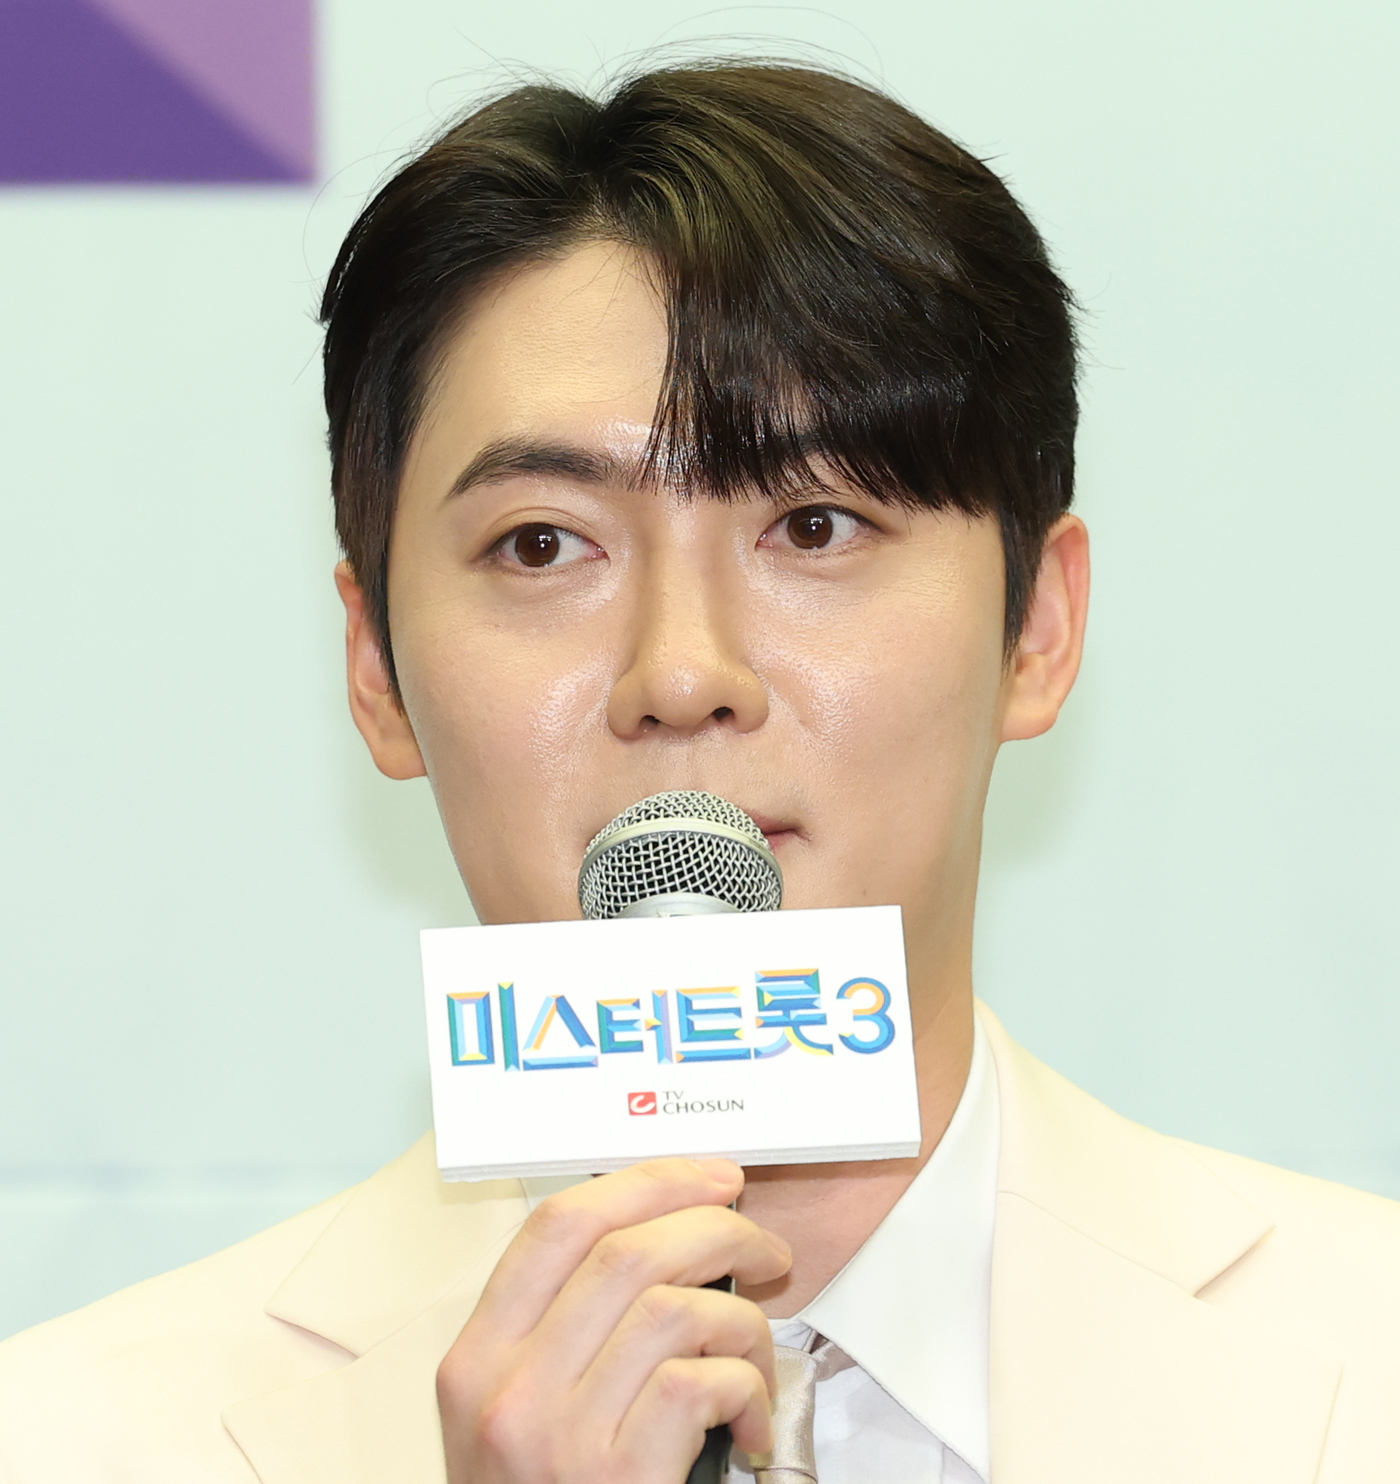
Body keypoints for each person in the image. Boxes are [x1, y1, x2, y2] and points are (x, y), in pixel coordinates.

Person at [1, 59, 1397, 1484]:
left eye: (815, 526)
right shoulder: (65, 1439)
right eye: (542, 545)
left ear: (1036, 625)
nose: (679, 673)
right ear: (377, 668)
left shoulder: (1371, 1366)